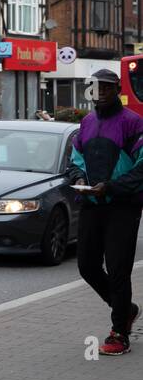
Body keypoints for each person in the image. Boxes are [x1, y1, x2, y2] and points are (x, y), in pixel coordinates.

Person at [69, 69, 143, 356]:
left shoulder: (133, 123)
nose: (100, 93)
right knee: (87, 265)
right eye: (95, 87)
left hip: (122, 206)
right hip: (92, 204)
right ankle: (126, 309)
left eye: (106, 88)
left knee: (118, 270)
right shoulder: (86, 123)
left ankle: (119, 334)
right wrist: (77, 179)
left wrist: (110, 187)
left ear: (117, 90)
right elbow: (75, 159)